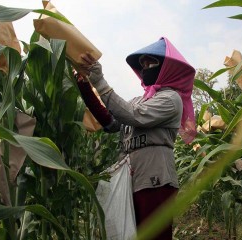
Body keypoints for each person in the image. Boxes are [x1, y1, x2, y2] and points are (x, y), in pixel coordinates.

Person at [77, 37, 196, 239]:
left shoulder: (171, 99)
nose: (145, 67)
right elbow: (111, 122)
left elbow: (132, 115)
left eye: (151, 63)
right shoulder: (140, 100)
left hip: (156, 181)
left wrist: (99, 80)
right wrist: (85, 87)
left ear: (166, 68)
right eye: (143, 65)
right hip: (133, 181)